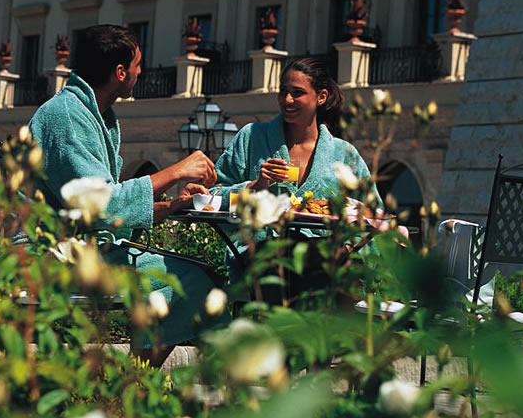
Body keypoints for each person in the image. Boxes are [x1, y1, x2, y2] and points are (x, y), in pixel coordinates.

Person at [28, 24, 222, 365]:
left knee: (200, 276)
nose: (140, 72)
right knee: (191, 282)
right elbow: (102, 205)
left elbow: (109, 205)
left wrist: (174, 205)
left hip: (81, 247)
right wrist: (176, 171)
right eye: (137, 64)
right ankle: (134, 387)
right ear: (120, 73)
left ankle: (133, 386)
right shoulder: (65, 118)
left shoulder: (90, 115)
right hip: (47, 256)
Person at [213, 57, 382, 288]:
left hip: (329, 265)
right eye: (283, 92)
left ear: (321, 97)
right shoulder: (252, 138)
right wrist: (256, 186)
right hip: (262, 260)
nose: (287, 100)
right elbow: (213, 199)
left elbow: (374, 213)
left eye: (297, 92)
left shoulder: (343, 154)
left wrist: (346, 248)